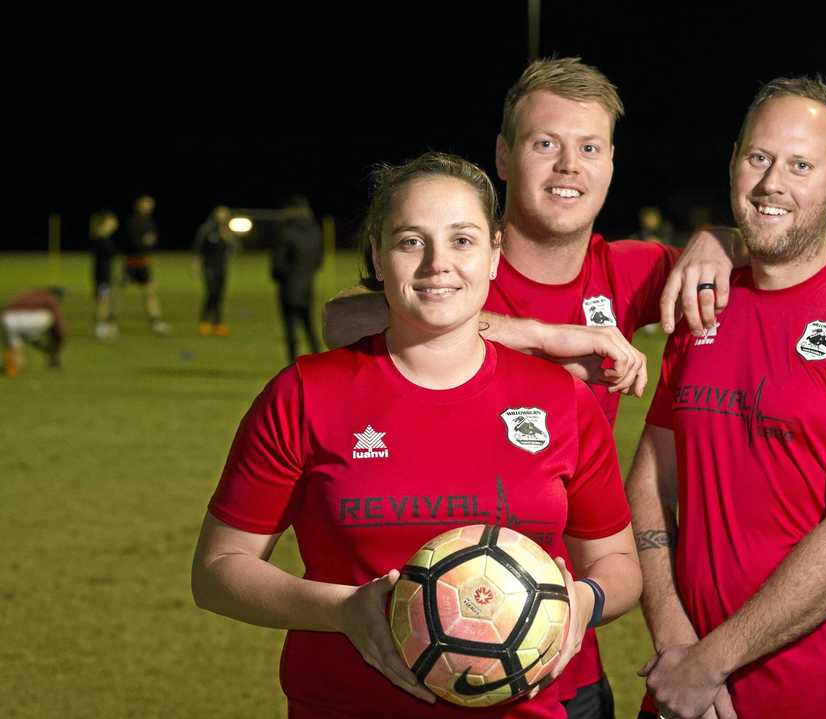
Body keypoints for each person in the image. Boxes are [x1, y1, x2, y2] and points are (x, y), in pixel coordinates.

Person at [191, 152, 642, 719]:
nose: (437, 264)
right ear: (378, 257)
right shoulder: (305, 393)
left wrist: (584, 598)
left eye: (461, 240)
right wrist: (342, 610)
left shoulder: (560, 400)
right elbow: (218, 571)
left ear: (494, 255)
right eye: (410, 241)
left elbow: (620, 563)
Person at [628, 76, 826, 719]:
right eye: (759, 157)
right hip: (682, 690)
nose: (772, 182)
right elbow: (648, 483)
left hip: (816, 695)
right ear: (734, 163)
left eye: (802, 165)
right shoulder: (703, 298)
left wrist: (711, 659)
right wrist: (676, 640)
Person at [323, 57, 743, 425]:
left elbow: (781, 256)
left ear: (611, 161)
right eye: (546, 144)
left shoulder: (632, 269)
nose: (569, 166)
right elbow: (342, 320)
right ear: (504, 157)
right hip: (453, 514)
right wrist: (544, 337)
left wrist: (720, 240)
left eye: (590, 148)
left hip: (583, 516)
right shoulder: (460, 261)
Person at [271, 195, 323, 361]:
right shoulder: (315, 231)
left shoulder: (286, 232)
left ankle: (292, 366)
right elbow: (318, 261)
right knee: (309, 327)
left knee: (290, 330)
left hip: (288, 288)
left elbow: (277, 265)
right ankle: (318, 363)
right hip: (307, 287)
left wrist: (280, 276)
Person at [121, 194, 172, 335]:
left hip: (143, 264)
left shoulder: (150, 222)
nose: (149, 207)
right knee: (119, 294)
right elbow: (132, 241)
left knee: (150, 293)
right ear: (139, 205)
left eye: (150, 204)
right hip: (130, 263)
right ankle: (109, 322)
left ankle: (156, 323)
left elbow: (152, 241)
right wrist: (144, 241)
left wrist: (148, 242)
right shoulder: (132, 221)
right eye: (146, 204)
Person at [2, 287, 66, 377]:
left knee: (14, 341)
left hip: (6, 318)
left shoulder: (30, 294)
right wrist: (55, 351)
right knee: (50, 317)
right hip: (24, 320)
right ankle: (34, 338)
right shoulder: (50, 298)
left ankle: (12, 368)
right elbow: (59, 329)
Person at [193, 205, 237, 336]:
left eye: (225, 214)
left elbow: (236, 249)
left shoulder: (227, 231)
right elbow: (198, 247)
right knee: (211, 293)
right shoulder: (206, 229)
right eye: (220, 214)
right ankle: (204, 322)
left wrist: (228, 237)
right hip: (208, 267)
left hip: (222, 268)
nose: (222, 216)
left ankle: (217, 324)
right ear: (215, 215)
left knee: (219, 296)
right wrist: (195, 264)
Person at [88, 210, 120, 341]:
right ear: (106, 222)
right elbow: (111, 253)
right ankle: (101, 328)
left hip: (103, 274)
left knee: (104, 300)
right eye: (112, 221)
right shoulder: (101, 238)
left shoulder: (103, 237)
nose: (115, 223)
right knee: (103, 301)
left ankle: (103, 326)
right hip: (102, 275)